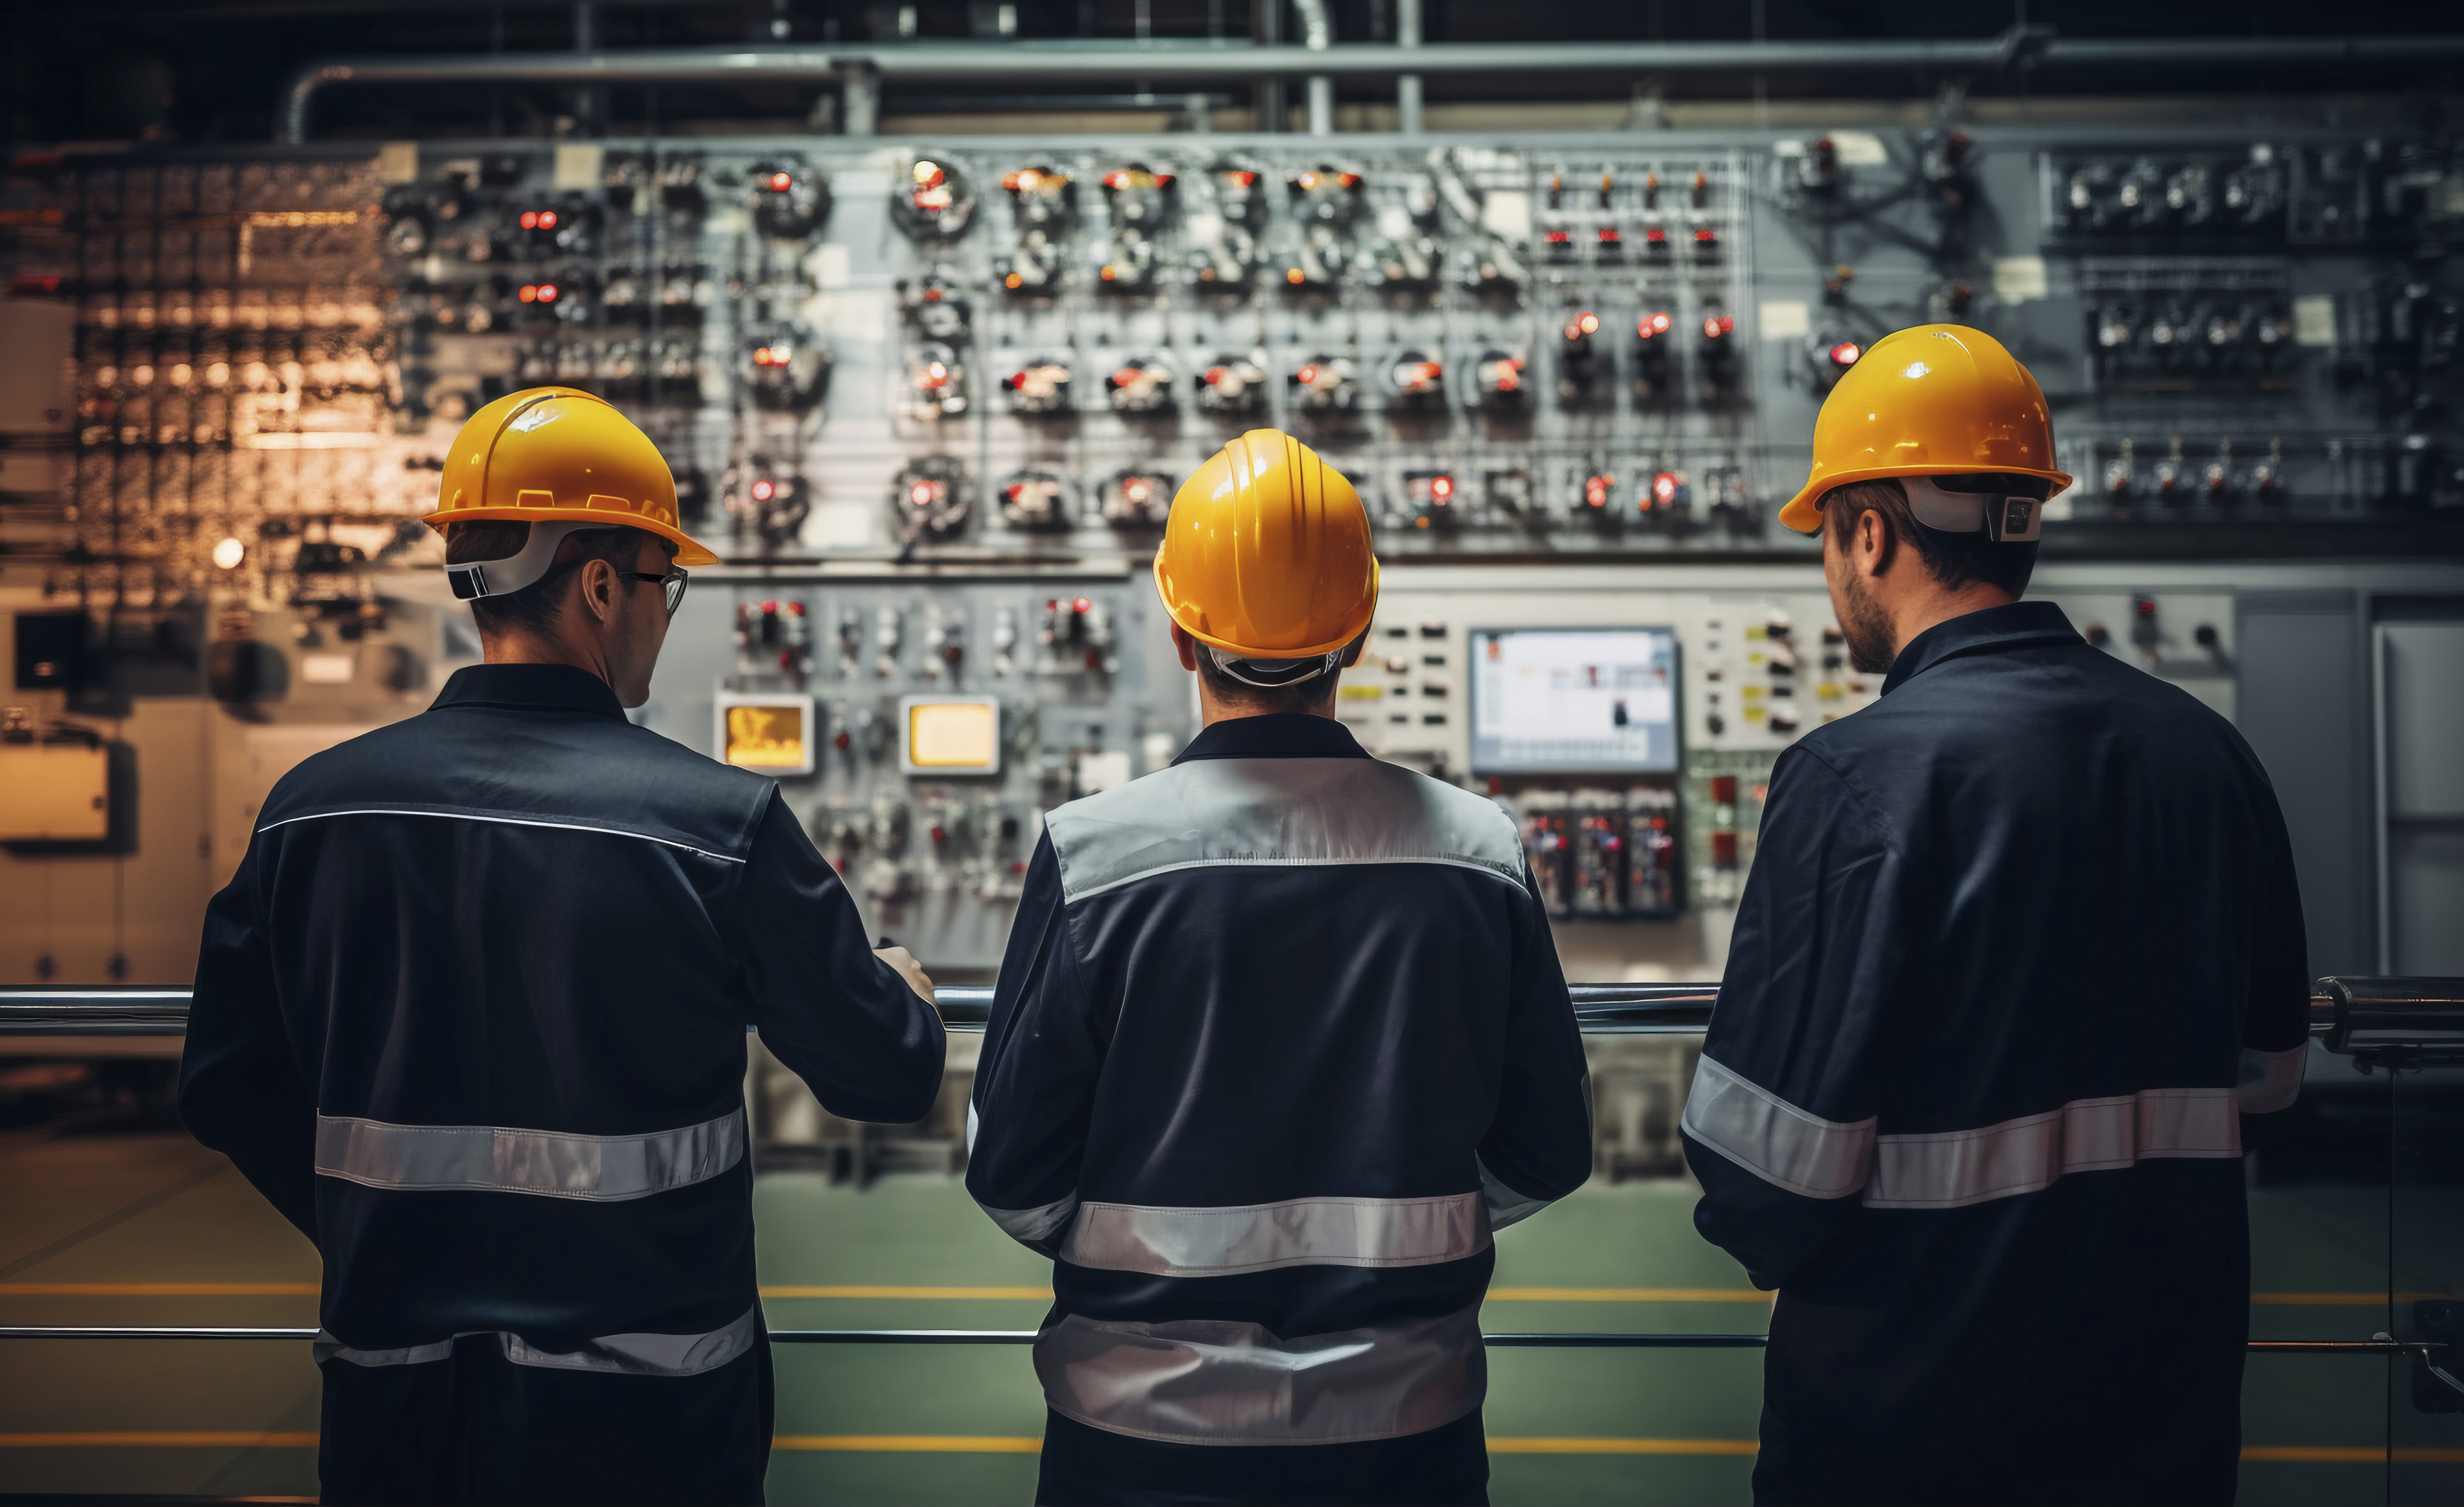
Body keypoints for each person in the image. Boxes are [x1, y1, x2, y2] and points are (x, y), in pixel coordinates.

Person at [179, 387, 945, 1506]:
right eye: (661, 583)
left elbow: (222, 1086)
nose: (664, 612)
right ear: (597, 585)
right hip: (650, 1416)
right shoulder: (715, 828)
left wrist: (381, 1231)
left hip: (398, 1405)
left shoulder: (311, 813)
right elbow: (885, 1075)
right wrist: (898, 993)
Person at [1681, 326, 2311, 1506]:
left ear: (1868, 531)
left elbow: (1765, 1182)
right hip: (2157, 1423)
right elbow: (2266, 1089)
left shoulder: (1853, 779)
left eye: (1828, 534)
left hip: (1906, 1426)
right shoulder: (2206, 755)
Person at [963, 429, 1593, 1507]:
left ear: (1177, 633)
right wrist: (1402, 1231)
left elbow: (1012, 1173)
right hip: (1409, 1432)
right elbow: (1546, 1150)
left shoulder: (1092, 854)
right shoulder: (1476, 851)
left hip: (1136, 1433)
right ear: (1357, 635)